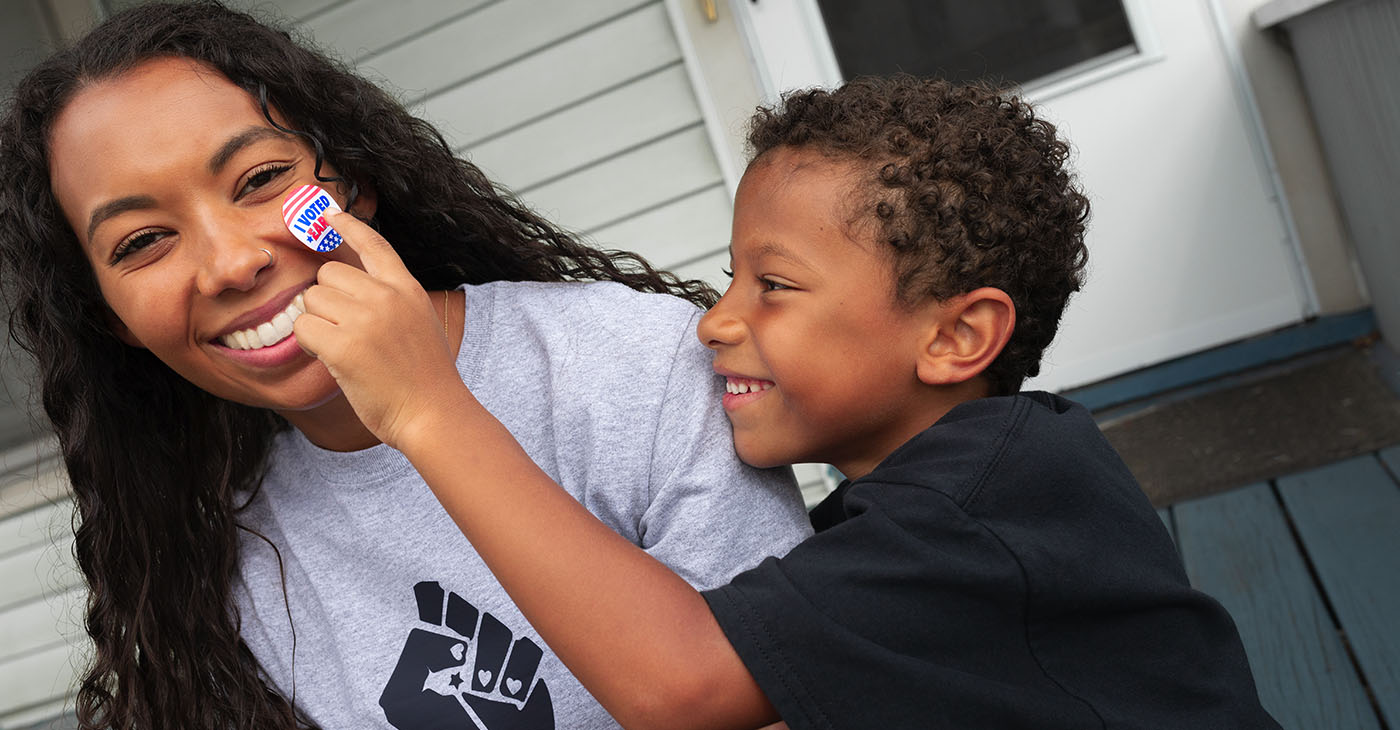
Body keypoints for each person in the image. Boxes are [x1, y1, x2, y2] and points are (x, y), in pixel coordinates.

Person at [306, 76, 1282, 729]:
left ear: (952, 337)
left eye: (771, 286)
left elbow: (678, 681)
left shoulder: (984, 497)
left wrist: (429, 410)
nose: (712, 323)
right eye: (729, 280)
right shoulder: (938, 502)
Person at [0, 3, 813, 729]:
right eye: (142, 242)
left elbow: (785, 693)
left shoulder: (635, 365)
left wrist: (425, 411)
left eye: (259, 179)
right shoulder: (220, 558)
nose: (229, 264)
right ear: (113, 320)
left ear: (350, 179)